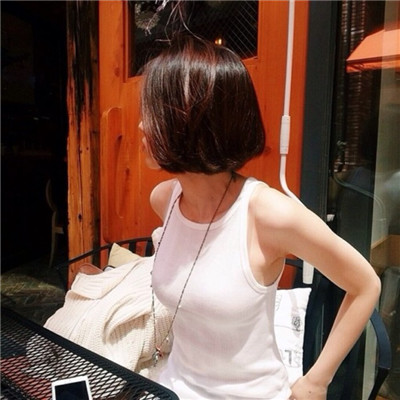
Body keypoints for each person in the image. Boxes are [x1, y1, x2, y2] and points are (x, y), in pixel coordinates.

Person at [139, 34, 381, 400]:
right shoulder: (164, 200)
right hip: (175, 388)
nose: (142, 127)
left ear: (191, 121)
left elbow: (365, 286)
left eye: (153, 113)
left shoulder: (268, 215)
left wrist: (316, 381)